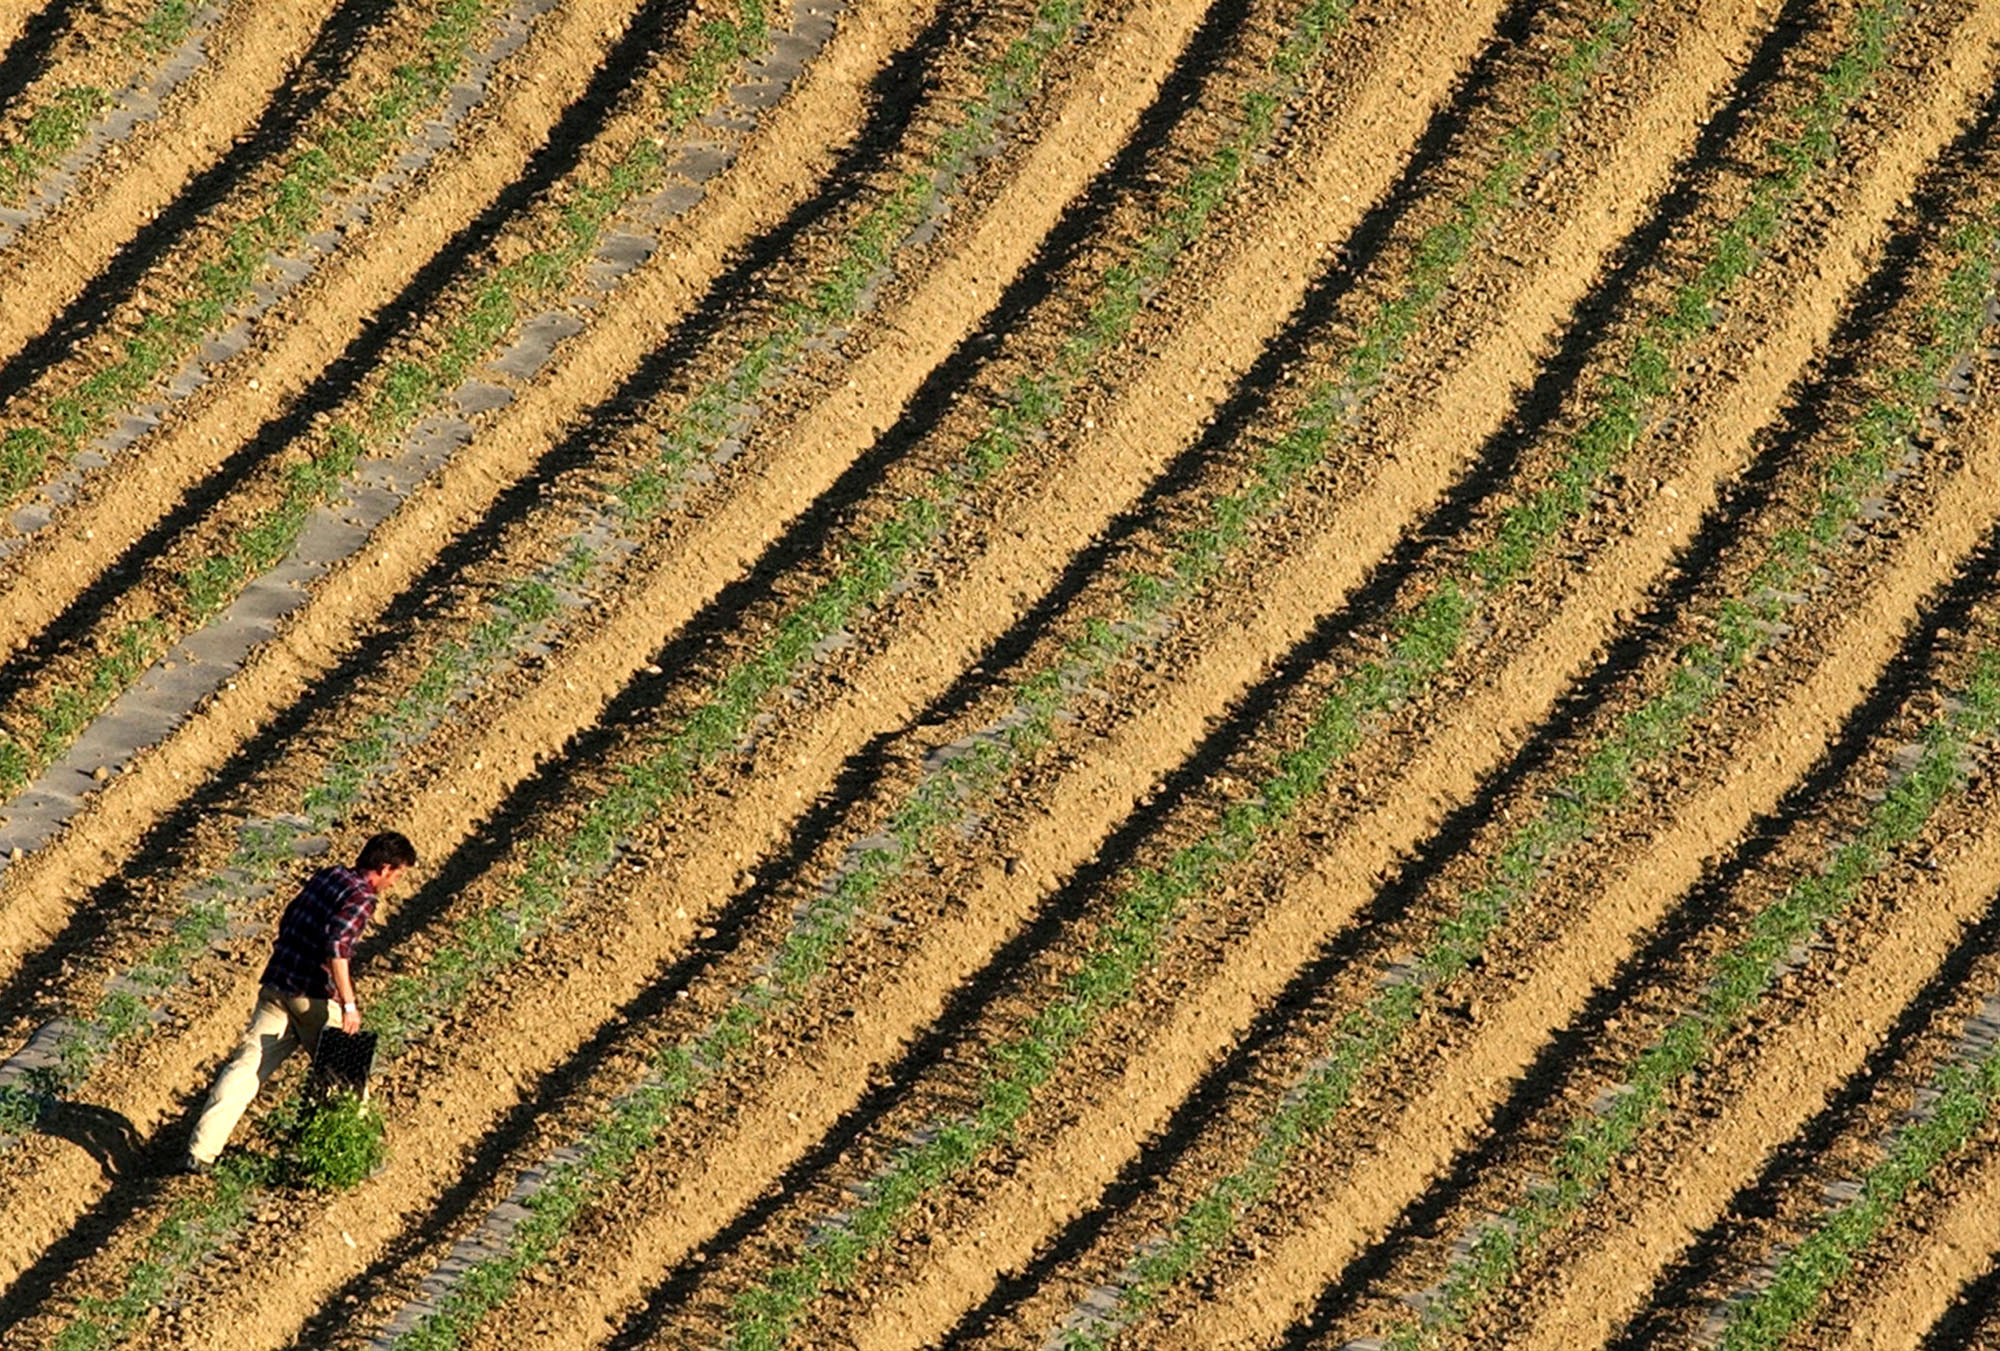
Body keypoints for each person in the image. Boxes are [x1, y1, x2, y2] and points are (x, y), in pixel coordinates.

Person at [183, 830, 417, 1173]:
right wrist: (349, 1004)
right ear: (384, 868)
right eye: (398, 875)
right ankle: (356, 1157)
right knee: (345, 1076)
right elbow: (337, 945)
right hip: (314, 996)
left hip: (278, 984)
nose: (395, 883)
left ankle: (200, 1151)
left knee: (246, 1069)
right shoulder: (362, 896)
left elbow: (290, 915)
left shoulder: (330, 876)